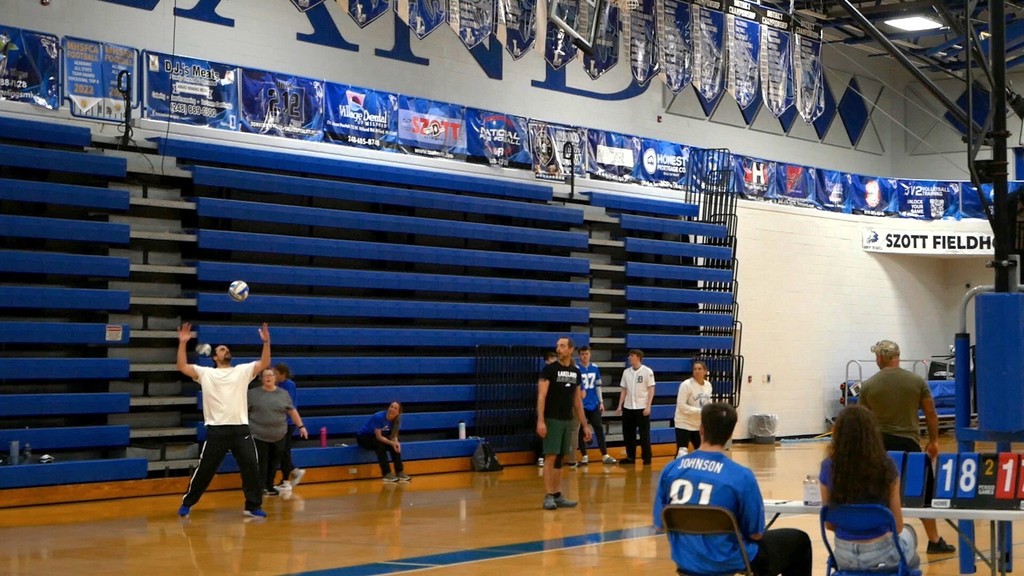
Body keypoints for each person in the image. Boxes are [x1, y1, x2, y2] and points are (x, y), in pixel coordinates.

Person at [654, 402, 813, 576]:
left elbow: (660, 524)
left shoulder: (671, 470)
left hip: (686, 561)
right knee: (799, 542)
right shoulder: (741, 476)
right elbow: (756, 533)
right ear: (730, 434)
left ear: (701, 429)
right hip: (728, 561)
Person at [858, 339, 955, 554]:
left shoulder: (869, 385)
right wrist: (934, 440)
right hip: (909, 444)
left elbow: (860, 420)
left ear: (881, 358)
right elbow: (931, 414)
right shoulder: (916, 381)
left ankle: (878, 540)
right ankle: (934, 540)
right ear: (897, 357)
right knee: (923, 493)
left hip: (879, 445)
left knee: (878, 493)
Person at [175, 322, 271, 519]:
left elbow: (264, 363)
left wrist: (266, 342)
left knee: (252, 467)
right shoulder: (206, 373)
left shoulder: (242, 371)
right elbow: (182, 366)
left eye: (227, 349)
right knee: (205, 471)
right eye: (221, 349)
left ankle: (252, 506)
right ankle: (188, 502)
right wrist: (183, 343)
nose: (225, 350)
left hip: (241, 429)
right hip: (217, 430)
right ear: (214, 357)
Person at [820, 405, 921, 571]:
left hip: (844, 556)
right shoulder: (887, 466)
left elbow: (829, 523)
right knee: (910, 539)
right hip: (882, 554)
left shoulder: (828, 467)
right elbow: (897, 524)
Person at [537, 336, 592, 510]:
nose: (558, 349)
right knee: (550, 456)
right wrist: (540, 420)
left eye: (562, 346)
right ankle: (548, 495)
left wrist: (584, 425)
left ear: (570, 350)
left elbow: (577, 401)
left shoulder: (575, 372)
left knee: (561, 457)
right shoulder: (549, 370)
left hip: (568, 420)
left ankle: (558, 494)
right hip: (552, 419)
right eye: (557, 346)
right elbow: (541, 396)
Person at [249, 368, 309, 496]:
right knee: (262, 461)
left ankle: (270, 485)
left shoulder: (283, 394)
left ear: (275, 378)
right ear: (261, 379)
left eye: (271, 375)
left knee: (274, 461)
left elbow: (292, 411)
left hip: (279, 434)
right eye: (266, 376)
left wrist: (301, 426)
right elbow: (243, 411)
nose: (269, 377)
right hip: (259, 434)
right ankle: (261, 486)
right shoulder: (252, 394)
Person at [576, 346, 616, 465]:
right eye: (582, 354)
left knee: (598, 428)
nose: (585, 356)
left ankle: (604, 454)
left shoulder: (595, 368)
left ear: (590, 354)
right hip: (581, 405)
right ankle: (584, 456)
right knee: (580, 431)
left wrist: (601, 402)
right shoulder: (576, 369)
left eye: (586, 353)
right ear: (579, 355)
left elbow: (598, 386)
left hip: (593, 404)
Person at [616, 349, 655, 465]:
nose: (629, 358)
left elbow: (651, 389)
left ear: (638, 357)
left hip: (641, 407)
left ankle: (647, 458)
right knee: (628, 434)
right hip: (628, 407)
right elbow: (623, 390)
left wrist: (648, 406)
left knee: (644, 435)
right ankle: (630, 457)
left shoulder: (647, 371)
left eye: (631, 356)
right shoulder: (626, 372)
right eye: (629, 355)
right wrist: (620, 406)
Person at [356, 401, 411, 482]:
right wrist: (392, 443)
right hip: (364, 437)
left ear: (398, 412)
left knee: (394, 445)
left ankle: (399, 472)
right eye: (391, 406)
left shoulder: (397, 420)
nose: (392, 409)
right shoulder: (379, 417)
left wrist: (396, 444)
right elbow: (378, 437)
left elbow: (394, 436)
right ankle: (387, 474)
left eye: (395, 408)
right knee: (380, 445)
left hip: (378, 437)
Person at [273, 363, 306, 491]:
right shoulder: (276, 384)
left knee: (284, 451)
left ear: (283, 374)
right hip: (278, 422)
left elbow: (289, 405)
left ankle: (286, 480)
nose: (274, 376)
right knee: (281, 451)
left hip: (288, 422)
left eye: (276, 374)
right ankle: (294, 471)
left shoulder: (288, 385)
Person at [674, 360, 712, 458]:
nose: (697, 371)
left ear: (705, 371)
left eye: (699, 369)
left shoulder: (708, 385)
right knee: (682, 452)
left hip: (697, 424)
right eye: (695, 369)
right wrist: (699, 411)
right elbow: (681, 405)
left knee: (700, 452)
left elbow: (708, 403)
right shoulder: (686, 385)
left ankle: (697, 472)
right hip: (683, 422)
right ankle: (676, 471)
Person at [536, 350, 558, 468]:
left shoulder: (558, 374)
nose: (553, 362)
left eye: (555, 360)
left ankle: (553, 456)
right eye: (551, 360)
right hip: (545, 407)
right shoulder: (544, 374)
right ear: (546, 361)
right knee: (542, 432)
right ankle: (540, 456)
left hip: (556, 407)